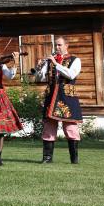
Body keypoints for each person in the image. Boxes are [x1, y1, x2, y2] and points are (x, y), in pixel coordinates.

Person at [35, 36, 82, 164]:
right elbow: (39, 78)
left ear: (66, 46)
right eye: (56, 45)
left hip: (67, 96)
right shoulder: (50, 61)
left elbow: (71, 74)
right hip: (52, 96)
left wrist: (56, 65)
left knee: (70, 127)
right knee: (49, 126)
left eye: (59, 45)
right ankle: (47, 158)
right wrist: (38, 68)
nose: (57, 47)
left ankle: (74, 159)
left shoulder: (75, 60)